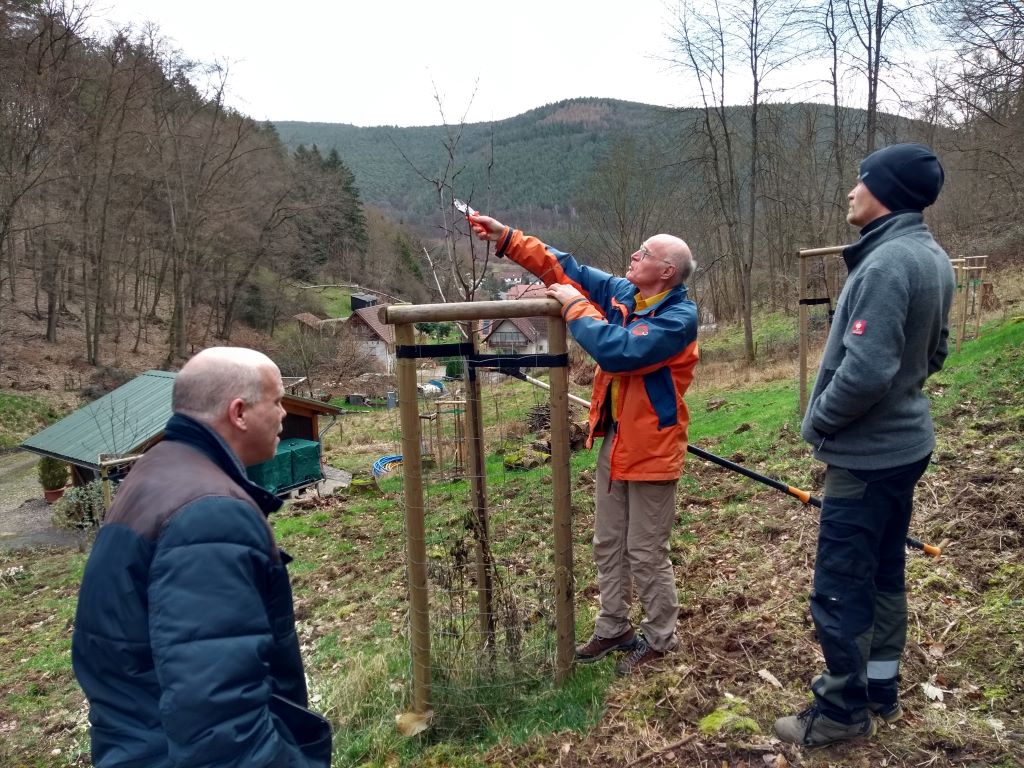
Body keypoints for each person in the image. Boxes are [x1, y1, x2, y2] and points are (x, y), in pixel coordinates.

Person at [72, 347, 332, 767]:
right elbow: (220, 721)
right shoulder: (210, 516)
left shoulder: (156, 470)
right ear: (239, 412)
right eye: (278, 401)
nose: (285, 413)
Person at [774, 143, 955, 747]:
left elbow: (868, 370)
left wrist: (819, 422)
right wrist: (905, 390)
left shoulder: (885, 265)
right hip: (906, 444)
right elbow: (937, 351)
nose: (851, 190)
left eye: (861, 180)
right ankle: (882, 687)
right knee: (882, 569)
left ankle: (840, 712)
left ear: (887, 192)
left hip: (868, 453)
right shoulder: (932, 257)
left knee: (841, 581)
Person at [469, 213, 699, 675]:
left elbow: (619, 350)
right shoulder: (626, 295)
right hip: (615, 442)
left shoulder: (677, 319)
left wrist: (575, 306)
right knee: (608, 542)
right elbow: (567, 268)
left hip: (653, 448)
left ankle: (660, 638)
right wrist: (508, 239)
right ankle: (614, 626)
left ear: (667, 272)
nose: (634, 257)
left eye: (645, 253)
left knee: (645, 550)